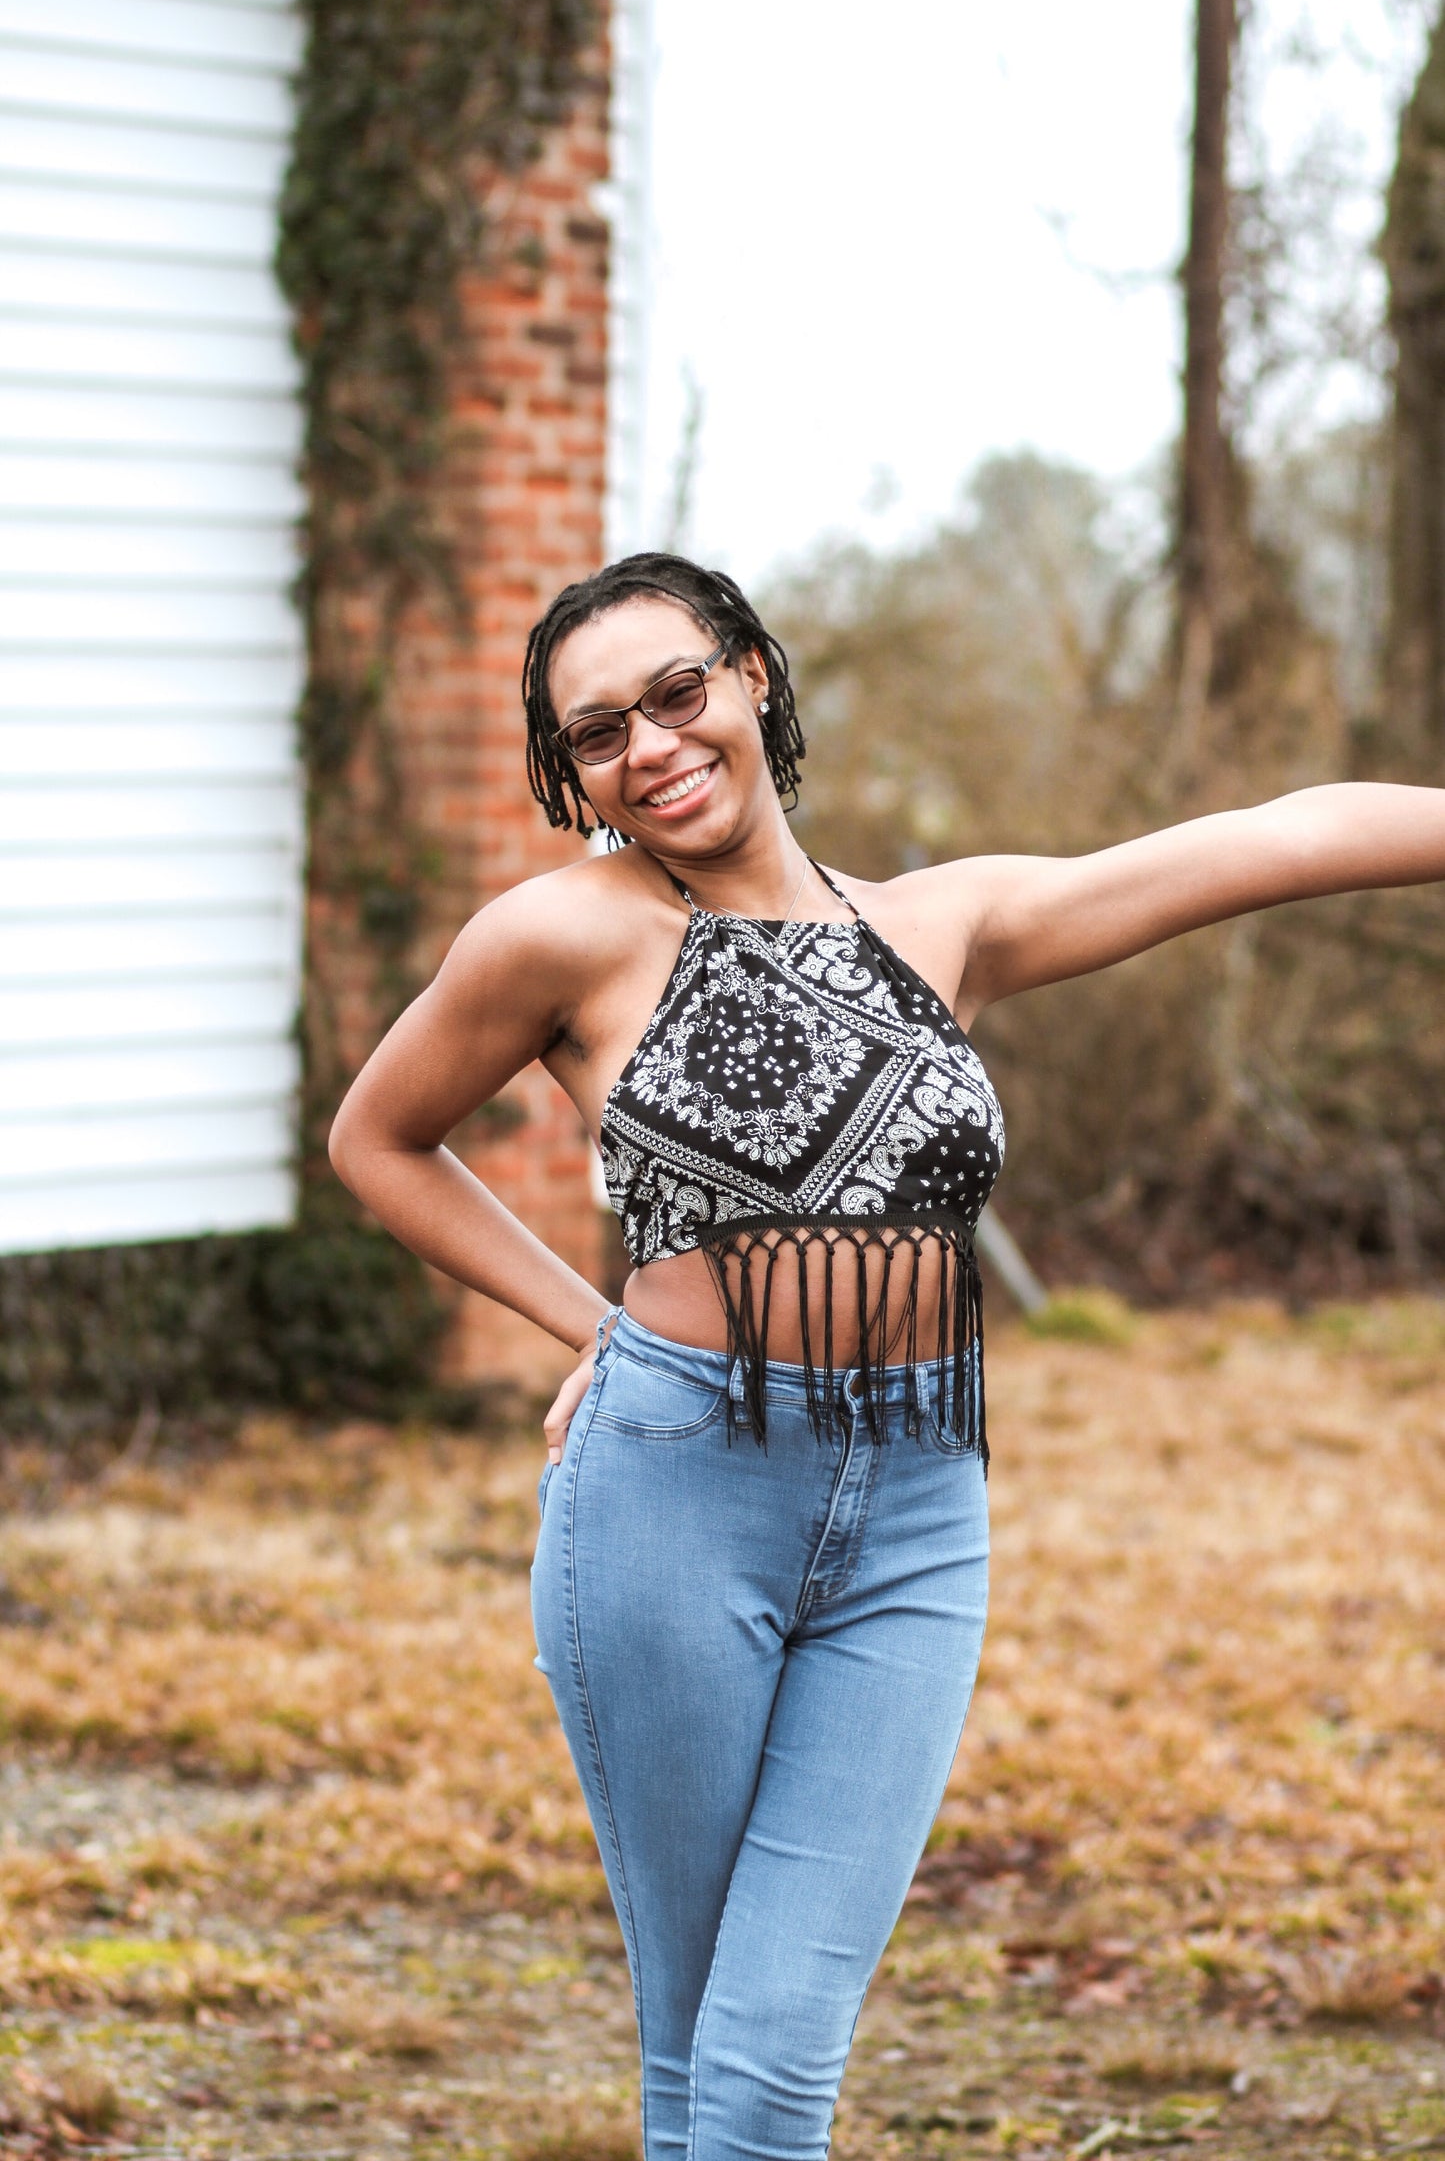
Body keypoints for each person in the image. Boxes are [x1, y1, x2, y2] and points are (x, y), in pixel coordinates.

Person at [328, 552, 1445, 2161]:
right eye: (596, 733)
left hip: (920, 1504)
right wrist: (596, 1329)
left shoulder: (943, 925)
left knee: (773, 2043)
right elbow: (381, 1142)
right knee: (712, 2049)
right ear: (570, 774)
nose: (649, 744)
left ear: (752, 680)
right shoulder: (561, 934)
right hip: (673, 1492)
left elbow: (1269, 841)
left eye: (674, 691)